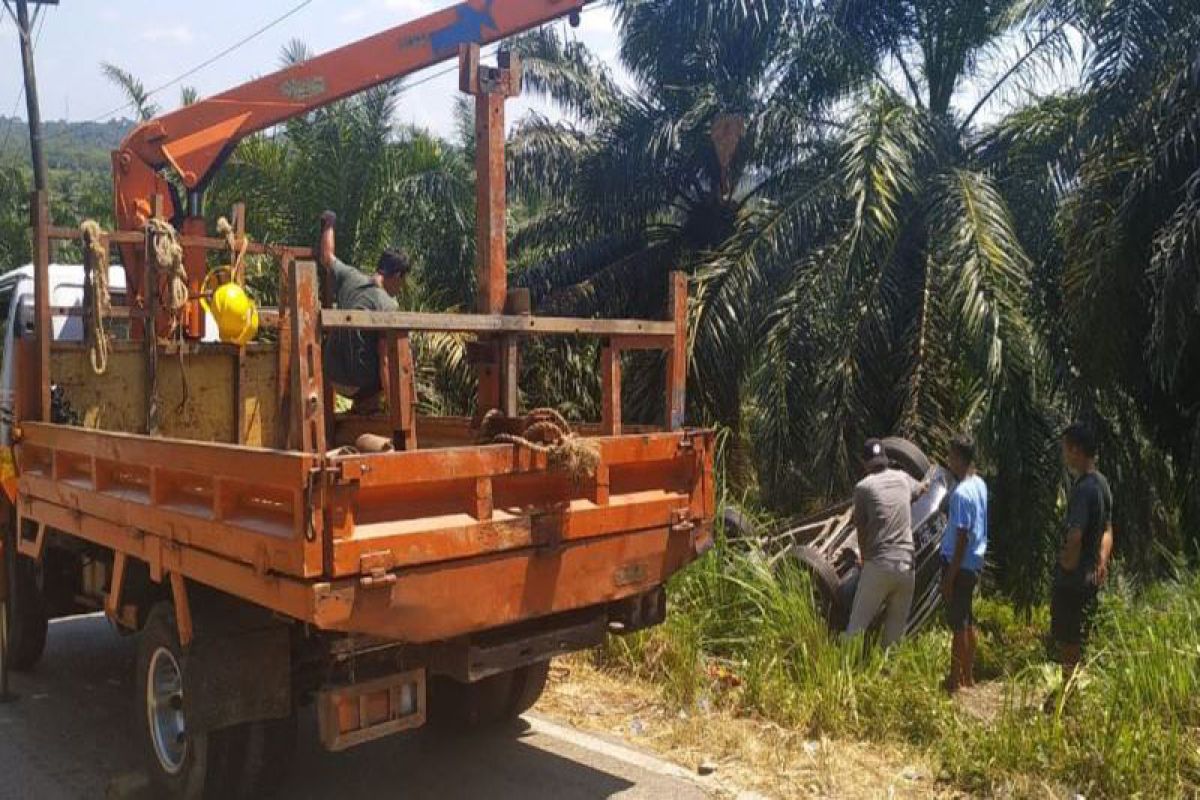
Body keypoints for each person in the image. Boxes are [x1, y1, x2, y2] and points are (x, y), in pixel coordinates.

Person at [317, 211, 411, 414]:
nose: (401, 287)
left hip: (332, 374)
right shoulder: (387, 305)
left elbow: (327, 256)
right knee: (398, 353)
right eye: (402, 281)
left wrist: (329, 224)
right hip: (359, 386)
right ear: (396, 276)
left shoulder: (349, 277)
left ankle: (361, 409)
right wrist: (395, 410)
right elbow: (386, 361)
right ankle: (370, 410)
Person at [846, 438, 927, 648]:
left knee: (855, 630)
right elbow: (922, 489)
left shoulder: (863, 488)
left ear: (865, 463)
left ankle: (843, 674)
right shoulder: (903, 479)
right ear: (886, 459)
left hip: (880, 565)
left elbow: (861, 529)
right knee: (893, 640)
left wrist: (864, 560)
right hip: (907, 567)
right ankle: (889, 677)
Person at [1052, 422, 1114, 684]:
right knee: (1079, 636)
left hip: (1074, 578)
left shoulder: (1083, 489)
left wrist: (1066, 564)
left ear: (1076, 450)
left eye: (1066, 449)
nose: (1065, 455)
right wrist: (1102, 559)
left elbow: (1075, 535)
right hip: (1090, 573)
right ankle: (1074, 688)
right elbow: (1108, 528)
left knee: (1069, 639)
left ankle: (1068, 693)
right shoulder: (1102, 484)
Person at [939, 433, 988, 694]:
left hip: (960, 564)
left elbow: (961, 538)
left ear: (959, 458)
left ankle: (955, 680)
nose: (948, 461)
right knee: (968, 619)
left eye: (951, 456)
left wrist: (949, 578)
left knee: (958, 624)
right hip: (974, 563)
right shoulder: (979, 484)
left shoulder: (960, 494)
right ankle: (968, 676)